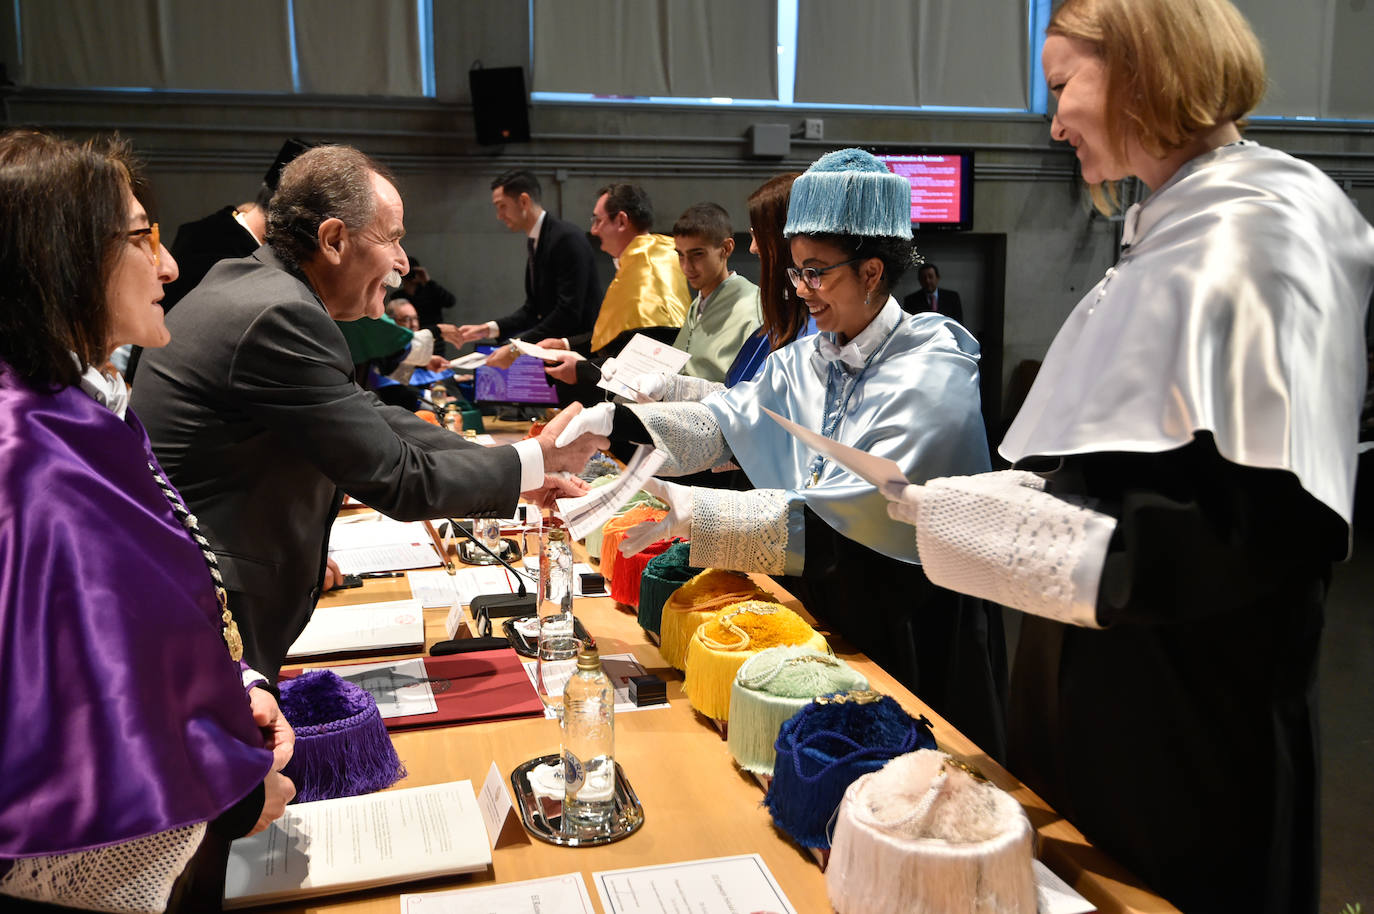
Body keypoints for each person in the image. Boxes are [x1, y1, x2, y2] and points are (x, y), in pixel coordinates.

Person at [883, 1, 1374, 910]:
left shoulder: (1263, 225)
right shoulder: (1175, 221)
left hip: (1183, 726)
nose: (1055, 118)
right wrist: (1011, 499)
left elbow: (1256, 521)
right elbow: (1116, 462)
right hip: (1109, 699)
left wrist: (1003, 532)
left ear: (1149, 66)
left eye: (1066, 83)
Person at [560, 149, 1007, 754]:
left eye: (816, 272)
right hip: (825, 600)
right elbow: (725, 422)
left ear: (872, 272)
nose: (801, 291)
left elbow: (848, 528)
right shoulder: (813, 354)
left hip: (907, 618)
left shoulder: (931, 375)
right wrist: (614, 423)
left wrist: (699, 514)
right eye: (796, 272)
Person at [132, 145, 606, 679]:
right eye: (394, 238)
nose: (404, 262)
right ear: (334, 240)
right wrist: (535, 460)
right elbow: (397, 477)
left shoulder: (259, 286)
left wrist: (518, 464)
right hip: (211, 618)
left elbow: (369, 414)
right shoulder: (280, 314)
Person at [0, 129, 294, 912]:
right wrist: (229, 794)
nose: (167, 265)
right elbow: (70, 743)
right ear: (60, 258)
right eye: (141, 238)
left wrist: (237, 686)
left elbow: (141, 631)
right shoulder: (32, 459)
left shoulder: (73, 411)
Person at [628, 172, 812, 402]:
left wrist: (672, 390)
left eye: (761, 235)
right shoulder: (699, 304)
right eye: (681, 256)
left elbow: (752, 400)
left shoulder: (766, 310)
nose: (753, 248)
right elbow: (743, 394)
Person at [540, 183, 691, 405]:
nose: (593, 230)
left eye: (597, 220)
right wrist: (565, 344)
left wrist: (580, 371)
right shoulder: (646, 256)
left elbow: (647, 356)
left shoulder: (648, 270)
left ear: (621, 220)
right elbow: (618, 332)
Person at [452, 169, 601, 366]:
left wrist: (517, 347)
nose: (499, 215)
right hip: (556, 360)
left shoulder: (566, 238)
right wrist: (487, 329)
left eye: (502, 206)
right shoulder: (536, 240)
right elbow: (533, 310)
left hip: (580, 358)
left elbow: (568, 312)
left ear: (523, 201)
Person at [665, 202, 761, 382]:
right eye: (680, 255)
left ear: (726, 249)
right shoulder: (698, 304)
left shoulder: (752, 308)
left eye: (698, 254)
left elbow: (748, 389)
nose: (687, 267)